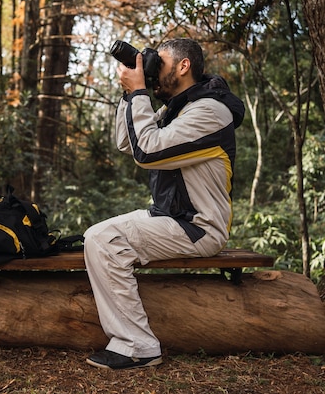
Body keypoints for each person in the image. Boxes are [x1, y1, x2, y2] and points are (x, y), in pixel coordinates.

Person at [83, 38, 245, 370]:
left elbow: (148, 151)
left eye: (162, 63)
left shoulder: (209, 111)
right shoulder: (179, 108)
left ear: (184, 66)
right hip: (172, 217)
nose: (156, 70)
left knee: (103, 240)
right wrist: (130, 94)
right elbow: (127, 142)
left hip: (199, 227)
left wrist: (140, 92)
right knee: (98, 236)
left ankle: (137, 346)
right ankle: (133, 339)